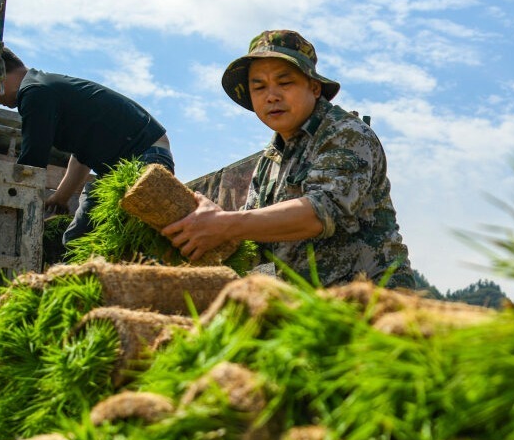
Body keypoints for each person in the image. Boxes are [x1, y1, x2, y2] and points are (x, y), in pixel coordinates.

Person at [162, 30, 414, 290]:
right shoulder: (269, 160)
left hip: (373, 300)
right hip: (306, 305)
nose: (271, 96)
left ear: (314, 88)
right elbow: (257, 243)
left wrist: (224, 224)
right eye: (259, 87)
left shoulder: (346, 134)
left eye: (285, 83)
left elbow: (321, 213)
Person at [0, 46, 175, 246]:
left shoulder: (34, 92)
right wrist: (60, 197)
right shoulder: (42, 87)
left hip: (146, 156)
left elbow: (32, 162)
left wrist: (8, 193)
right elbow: (82, 154)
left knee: (131, 241)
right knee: (77, 241)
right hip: (126, 163)